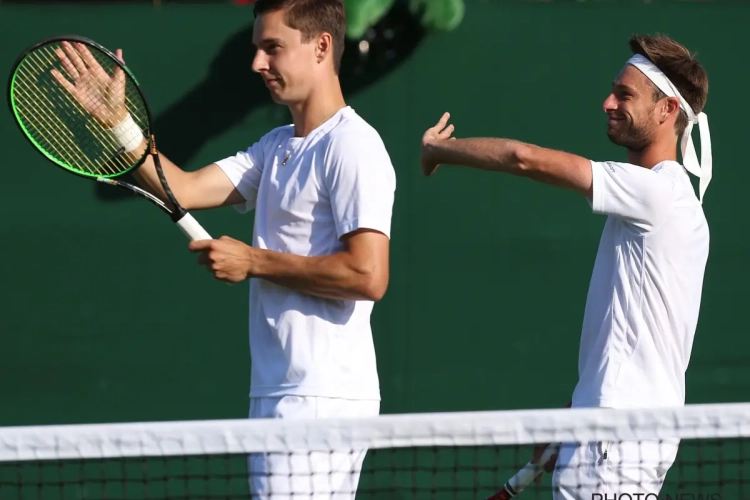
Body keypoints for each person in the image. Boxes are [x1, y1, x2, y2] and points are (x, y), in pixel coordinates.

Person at [51, 0, 396, 498]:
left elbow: (369, 276)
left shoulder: (352, 146)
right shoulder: (277, 145)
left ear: (321, 46)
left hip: (319, 399)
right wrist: (118, 123)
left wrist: (254, 261)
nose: (258, 63)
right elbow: (184, 189)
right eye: (257, 48)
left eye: (272, 48)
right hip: (284, 391)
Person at [420, 34, 711, 499]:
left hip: (613, 441)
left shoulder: (655, 194)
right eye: (613, 89)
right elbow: (632, 336)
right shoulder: (681, 206)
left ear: (667, 110)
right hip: (627, 434)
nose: (607, 102)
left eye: (625, 94)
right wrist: (574, 410)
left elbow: (524, 158)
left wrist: (439, 151)